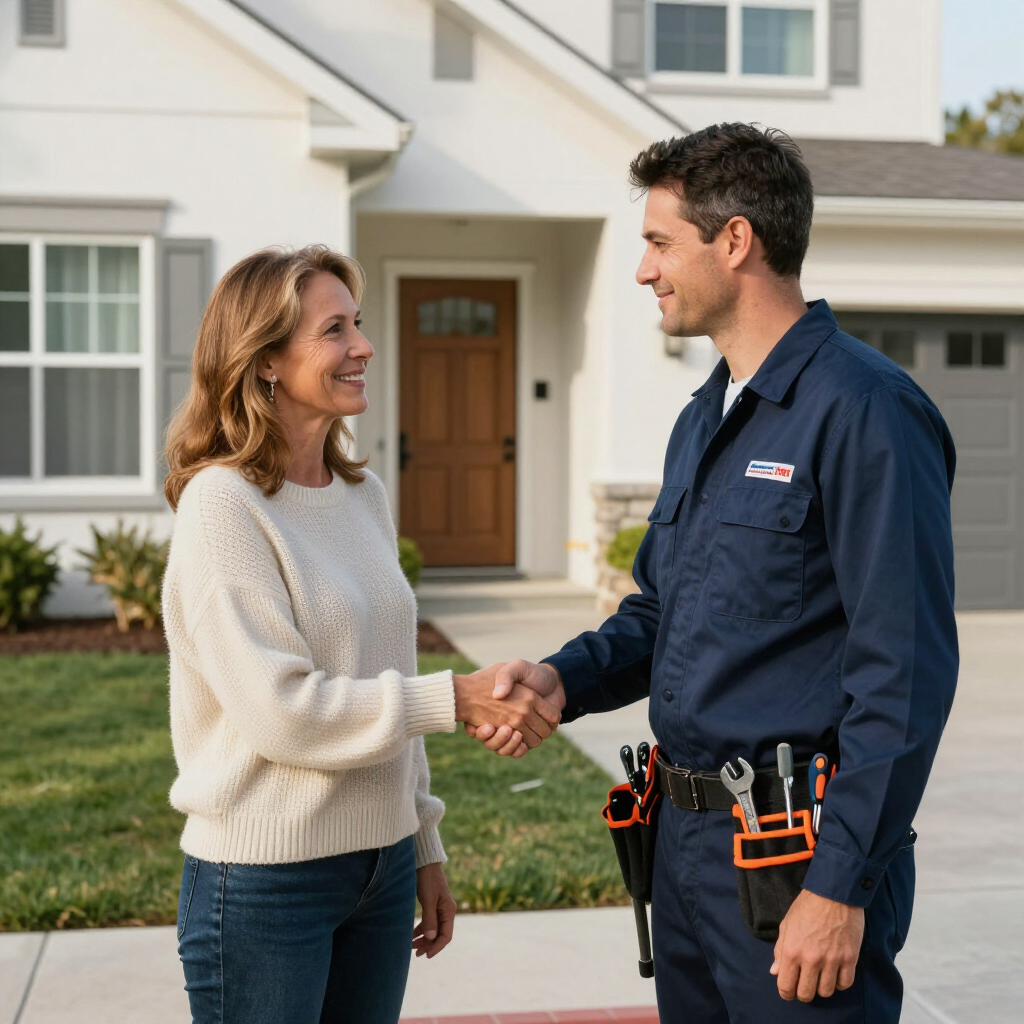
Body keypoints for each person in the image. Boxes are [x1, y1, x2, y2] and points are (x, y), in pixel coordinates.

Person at [467, 124, 959, 1023]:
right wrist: (560, 679)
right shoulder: (707, 414)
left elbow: (907, 671)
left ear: (735, 242)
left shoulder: (867, 412)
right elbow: (664, 614)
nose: (643, 270)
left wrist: (840, 885)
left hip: (796, 852)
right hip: (687, 845)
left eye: (659, 243)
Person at [162, 245, 560, 1024]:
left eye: (360, 323)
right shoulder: (223, 506)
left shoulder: (362, 493)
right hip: (266, 881)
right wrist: (463, 696)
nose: (364, 346)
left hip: (380, 869)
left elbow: (385, 667)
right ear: (266, 360)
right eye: (334, 330)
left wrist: (422, 843)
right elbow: (284, 712)